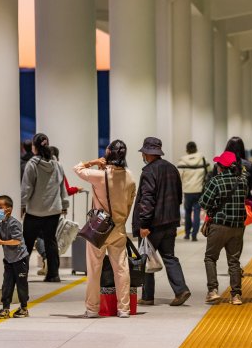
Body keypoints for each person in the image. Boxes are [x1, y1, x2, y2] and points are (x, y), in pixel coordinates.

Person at [74, 140, 136, 318]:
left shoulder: (99, 175)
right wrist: (120, 220)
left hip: (99, 228)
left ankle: (92, 309)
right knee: (121, 269)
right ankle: (123, 309)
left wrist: (93, 162)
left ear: (108, 153)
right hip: (119, 227)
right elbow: (130, 202)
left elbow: (77, 168)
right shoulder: (130, 176)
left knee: (94, 269)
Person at [133, 137, 191, 306]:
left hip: (153, 224)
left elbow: (147, 199)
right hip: (170, 222)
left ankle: (147, 296)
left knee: (146, 257)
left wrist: (144, 224)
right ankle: (181, 290)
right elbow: (179, 195)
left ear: (147, 153)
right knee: (169, 257)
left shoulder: (149, 171)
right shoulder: (172, 168)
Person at [199, 151, 248, 305]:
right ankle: (236, 295)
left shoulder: (216, 181)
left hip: (219, 226)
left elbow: (204, 203)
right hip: (237, 227)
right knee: (234, 261)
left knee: (210, 257)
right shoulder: (242, 181)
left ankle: (213, 291)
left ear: (220, 167)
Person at [21, 133, 69, 282]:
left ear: (34, 147)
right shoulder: (57, 165)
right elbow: (62, 187)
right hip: (53, 211)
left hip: (34, 211)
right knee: (51, 241)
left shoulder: (32, 164)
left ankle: (22, 274)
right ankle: (53, 275)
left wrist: (22, 205)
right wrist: (64, 205)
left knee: (27, 243)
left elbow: (27, 188)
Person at [0, 195, 29, 319]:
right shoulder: (1, 225)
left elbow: (17, 241)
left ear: (9, 209)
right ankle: (5, 308)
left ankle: (24, 308)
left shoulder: (14, 224)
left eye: (0, 207)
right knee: (7, 284)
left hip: (20, 259)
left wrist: (3, 242)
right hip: (9, 260)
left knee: (21, 284)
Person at [177, 141, 209, 241]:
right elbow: (210, 170)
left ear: (187, 149)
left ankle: (187, 234)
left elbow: (178, 176)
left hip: (187, 191)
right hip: (199, 190)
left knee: (187, 212)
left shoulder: (182, 161)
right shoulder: (203, 159)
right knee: (197, 212)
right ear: (196, 148)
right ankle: (194, 235)